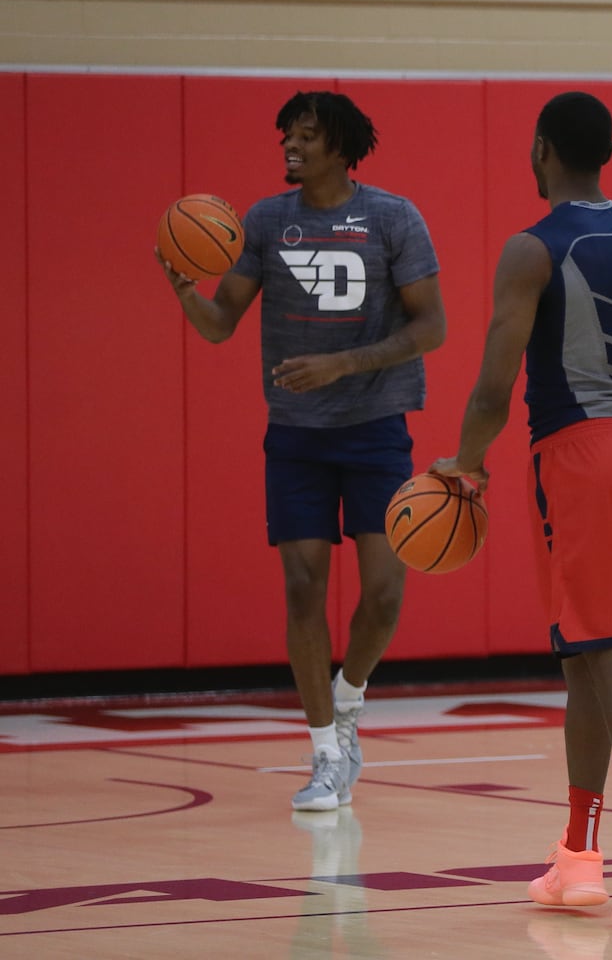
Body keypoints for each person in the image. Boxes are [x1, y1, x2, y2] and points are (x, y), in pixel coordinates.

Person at [429, 91, 612, 931]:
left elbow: (495, 383)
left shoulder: (533, 248)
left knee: (611, 663)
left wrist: (463, 464)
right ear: (605, 153)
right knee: (587, 658)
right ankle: (578, 858)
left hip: (579, 459)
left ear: (540, 150)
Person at [156, 91, 446, 812]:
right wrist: (186, 289)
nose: (291, 145)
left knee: (383, 594)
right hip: (295, 433)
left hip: (376, 423)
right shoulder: (264, 220)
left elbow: (432, 326)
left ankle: (350, 700)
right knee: (301, 590)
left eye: (307, 136)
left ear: (342, 147)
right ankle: (324, 753)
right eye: (287, 134)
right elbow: (222, 324)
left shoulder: (392, 217)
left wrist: (345, 365)